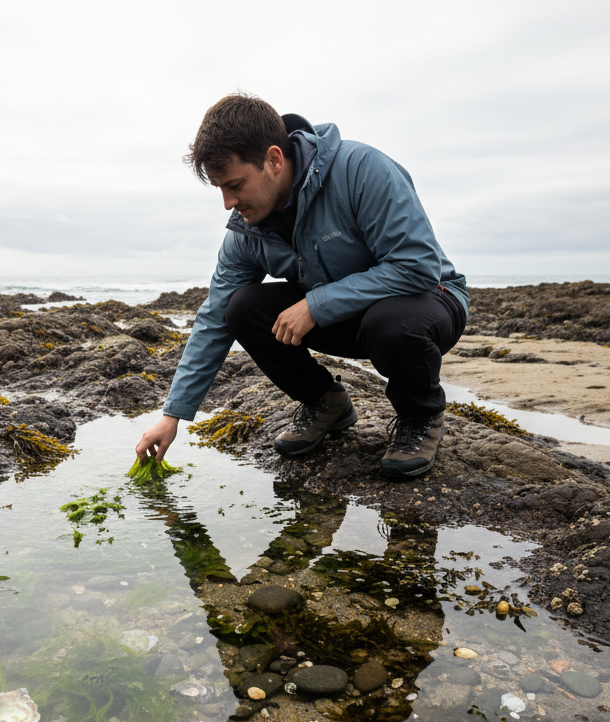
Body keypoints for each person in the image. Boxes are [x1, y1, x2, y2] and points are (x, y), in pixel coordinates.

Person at [135, 93, 468, 478]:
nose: (228, 203)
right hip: (351, 317)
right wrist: (173, 414)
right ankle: (326, 403)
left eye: (235, 185)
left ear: (274, 160)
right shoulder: (247, 231)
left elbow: (417, 266)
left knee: (391, 323)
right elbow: (214, 318)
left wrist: (315, 304)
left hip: (429, 300)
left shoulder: (361, 169)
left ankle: (419, 416)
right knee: (241, 307)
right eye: (220, 189)